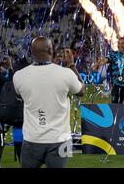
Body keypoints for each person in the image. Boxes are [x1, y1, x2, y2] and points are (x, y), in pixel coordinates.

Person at [13, 37, 85, 168]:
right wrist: (71, 65)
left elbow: (20, 94)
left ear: (31, 52)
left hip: (32, 139)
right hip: (60, 140)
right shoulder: (66, 73)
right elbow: (81, 91)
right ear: (51, 51)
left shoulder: (19, 76)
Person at [93, 37, 124, 104]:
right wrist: (97, 64)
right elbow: (105, 60)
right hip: (116, 85)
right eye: (119, 43)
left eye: (122, 43)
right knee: (115, 105)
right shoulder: (113, 54)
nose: (120, 45)